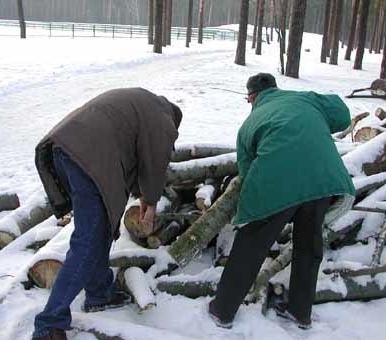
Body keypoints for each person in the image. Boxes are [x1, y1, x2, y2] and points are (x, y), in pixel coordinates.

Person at [32, 88, 182, 340]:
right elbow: (155, 162)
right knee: (87, 240)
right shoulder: (162, 118)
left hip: (65, 149)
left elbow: (135, 161)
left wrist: (142, 194)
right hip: (88, 158)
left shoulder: (140, 104)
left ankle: (99, 292)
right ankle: (49, 322)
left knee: (98, 229)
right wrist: (151, 201)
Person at [208, 73, 355, 330]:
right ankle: (300, 313)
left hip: (276, 183)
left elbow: (246, 170)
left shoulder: (250, 124)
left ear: (252, 97)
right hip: (323, 179)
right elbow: (342, 114)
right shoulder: (306, 99)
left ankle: (222, 311)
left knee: (250, 246)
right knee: (308, 248)